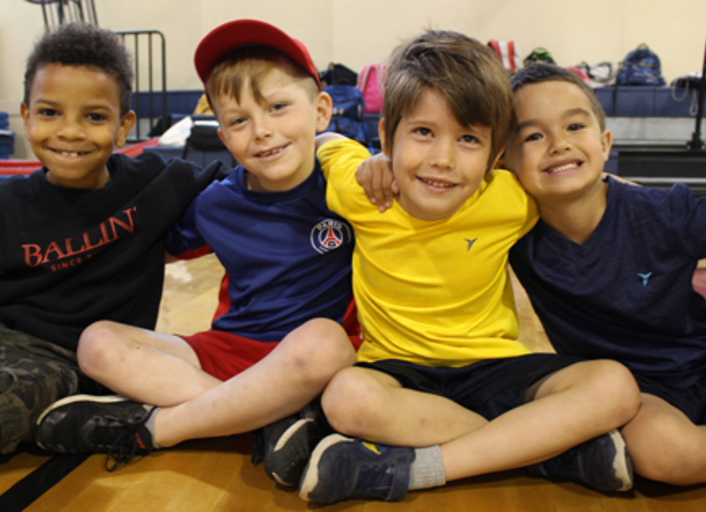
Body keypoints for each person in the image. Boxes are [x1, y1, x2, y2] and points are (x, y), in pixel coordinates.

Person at [296, 31, 641, 504]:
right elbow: (327, 141)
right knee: (345, 398)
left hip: (495, 367)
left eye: (468, 139)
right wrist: (369, 161)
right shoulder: (362, 190)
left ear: (496, 156)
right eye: (423, 132)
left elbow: (588, 184)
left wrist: (623, 187)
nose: (443, 159)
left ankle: (423, 466)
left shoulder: (512, 197)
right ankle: (544, 451)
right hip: (399, 375)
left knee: (614, 385)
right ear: (385, 136)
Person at [34, 19, 361, 482]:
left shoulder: (353, 184)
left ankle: (160, 427)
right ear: (224, 138)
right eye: (239, 121)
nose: (262, 131)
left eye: (278, 107)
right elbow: (147, 252)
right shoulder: (215, 204)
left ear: (322, 111)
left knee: (323, 342)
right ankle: (268, 421)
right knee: (97, 342)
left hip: (312, 359)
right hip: (230, 349)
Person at [0, 23, 229, 466]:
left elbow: (253, 182)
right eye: (51, 112)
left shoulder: (156, 184)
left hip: (64, 365)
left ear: (122, 126)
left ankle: (78, 414)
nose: (70, 132)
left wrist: (326, 147)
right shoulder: (2, 207)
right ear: (27, 115)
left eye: (94, 117)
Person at [505, 63, 706, 487]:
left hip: (698, 359)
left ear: (604, 141)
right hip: (639, 392)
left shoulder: (665, 211)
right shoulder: (509, 231)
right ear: (504, 161)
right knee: (668, 454)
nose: (558, 144)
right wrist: (382, 164)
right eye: (533, 135)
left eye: (575, 126)